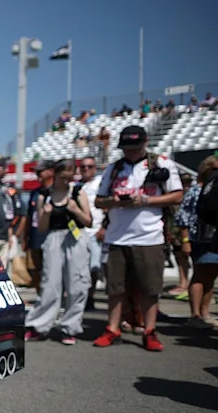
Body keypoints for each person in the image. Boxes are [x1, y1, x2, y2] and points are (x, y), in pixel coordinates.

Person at [93, 126, 183, 351]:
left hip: (149, 237)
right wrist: (116, 201)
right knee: (115, 288)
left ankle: (149, 330)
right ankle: (112, 329)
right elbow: (99, 201)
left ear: (145, 143)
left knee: (150, 288)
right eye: (126, 148)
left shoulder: (161, 163)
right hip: (117, 237)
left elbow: (177, 195)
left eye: (135, 147)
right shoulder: (114, 168)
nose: (130, 152)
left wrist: (145, 201)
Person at [24, 160, 93, 344]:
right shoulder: (45, 195)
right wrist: (46, 213)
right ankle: (38, 325)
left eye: (69, 178)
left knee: (76, 284)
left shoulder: (78, 192)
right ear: (55, 175)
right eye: (63, 177)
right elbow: (41, 228)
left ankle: (70, 327)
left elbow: (88, 221)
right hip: (54, 237)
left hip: (76, 237)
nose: (66, 181)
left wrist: (75, 210)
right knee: (50, 284)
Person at [176, 156, 218, 328]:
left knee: (211, 277)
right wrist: (185, 240)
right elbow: (182, 218)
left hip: (213, 238)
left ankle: (205, 312)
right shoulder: (195, 191)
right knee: (200, 275)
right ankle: (195, 314)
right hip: (198, 238)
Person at [23, 161, 54, 292]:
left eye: (40, 171)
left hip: (52, 236)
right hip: (36, 237)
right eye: (36, 172)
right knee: (36, 269)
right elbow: (29, 216)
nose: (38, 174)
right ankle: (40, 296)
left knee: (52, 269)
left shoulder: (56, 191)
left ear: (51, 171)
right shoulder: (35, 192)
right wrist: (25, 237)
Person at [78, 157, 104, 308]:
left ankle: (91, 295)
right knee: (80, 269)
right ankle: (84, 298)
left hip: (95, 231)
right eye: (83, 167)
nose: (86, 169)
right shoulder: (76, 185)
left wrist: (103, 227)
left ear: (95, 168)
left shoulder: (100, 183)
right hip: (80, 232)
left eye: (90, 166)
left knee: (95, 267)